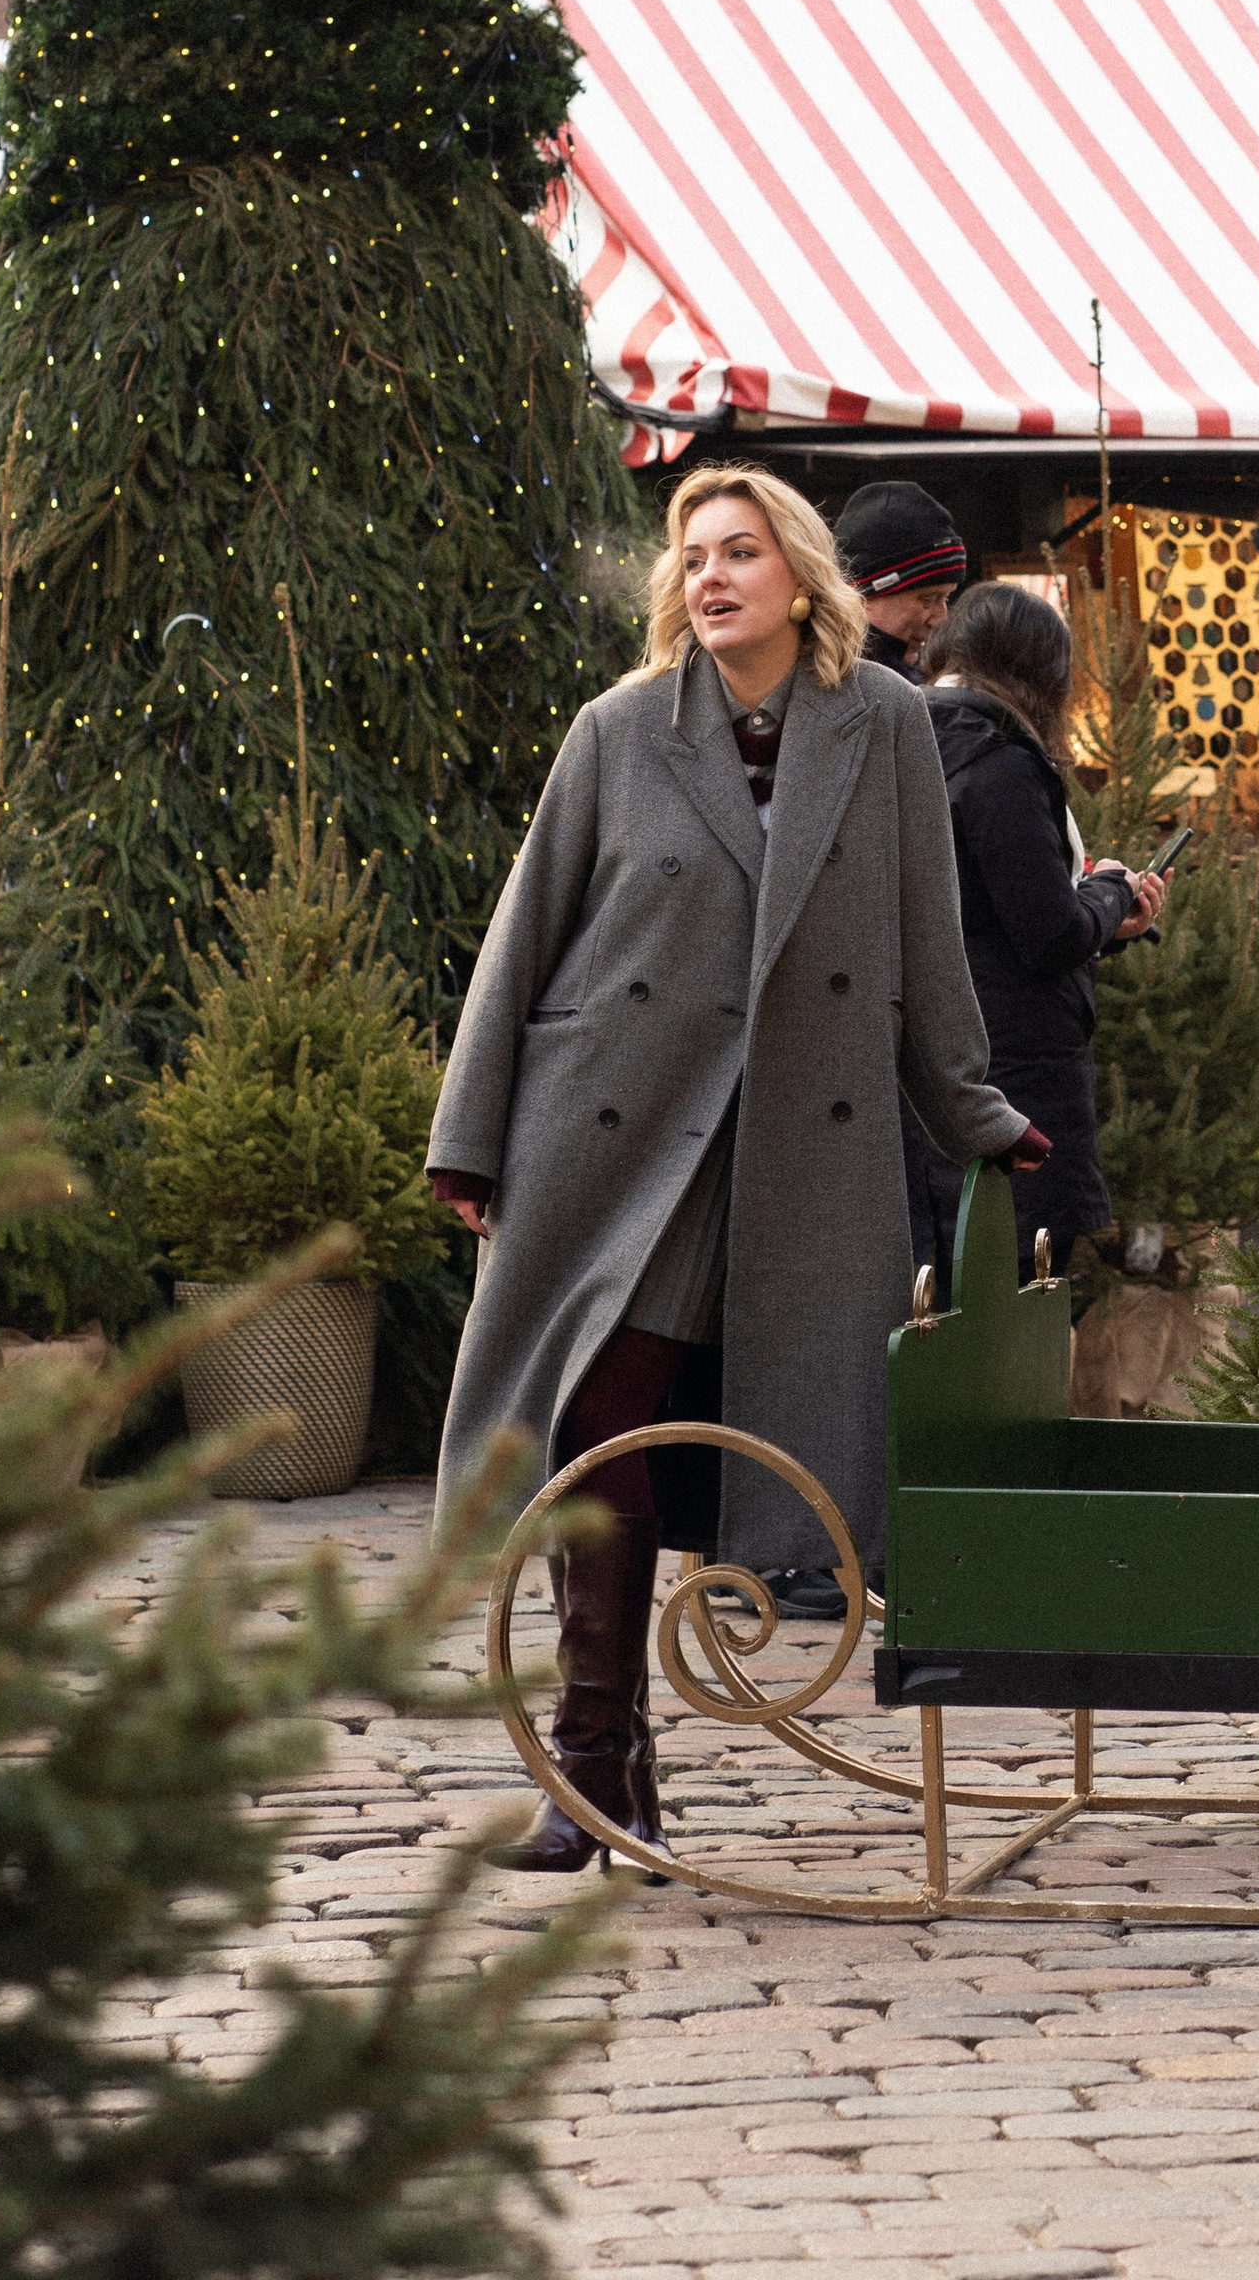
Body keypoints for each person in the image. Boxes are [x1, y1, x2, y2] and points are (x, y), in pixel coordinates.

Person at [425, 462, 1042, 1873]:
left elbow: (927, 940)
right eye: (693, 556)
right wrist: (470, 1135)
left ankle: (607, 1766)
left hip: (793, 1148)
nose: (710, 576)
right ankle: (597, 1760)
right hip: (617, 1136)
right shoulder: (620, 729)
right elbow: (526, 934)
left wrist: (976, 1111)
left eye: (740, 552)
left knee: (723, 1440)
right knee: (595, 1422)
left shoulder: (885, 724)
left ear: (802, 578)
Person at [915, 581, 1166, 1289]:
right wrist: (1110, 891)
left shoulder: (917, 740)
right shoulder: (998, 760)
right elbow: (1048, 935)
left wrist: (1107, 923)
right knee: (1012, 1288)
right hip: (1013, 1071)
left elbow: (991, 916)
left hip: (946, 1061)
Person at [832, 478, 967, 678]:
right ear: (862, 596)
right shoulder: (821, 682)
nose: (941, 619)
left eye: (946, 598)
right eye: (928, 599)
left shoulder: (922, 680)